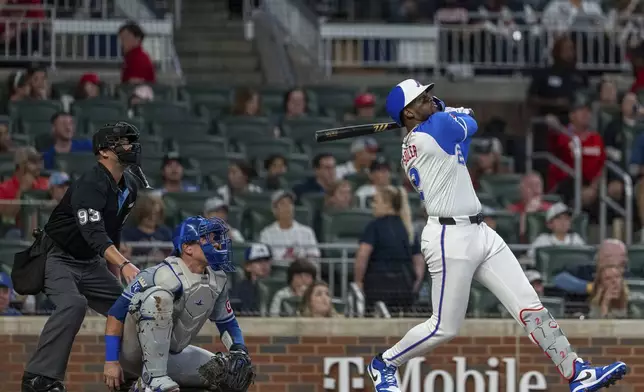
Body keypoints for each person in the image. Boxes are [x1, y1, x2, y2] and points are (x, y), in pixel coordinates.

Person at [366, 78, 627, 392]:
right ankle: (385, 363)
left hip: (478, 230)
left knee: (530, 305)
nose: (431, 99)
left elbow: (462, 146)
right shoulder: (430, 132)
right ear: (408, 114)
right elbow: (471, 125)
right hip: (449, 237)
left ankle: (576, 372)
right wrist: (455, 112)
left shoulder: (427, 133)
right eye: (422, 99)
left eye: (428, 94)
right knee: (443, 327)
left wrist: (448, 113)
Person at [20, 122, 143, 392]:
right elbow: (95, 234)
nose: (129, 146)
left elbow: (113, 233)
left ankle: (131, 377)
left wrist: (115, 273)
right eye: (121, 142)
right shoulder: (90, 182)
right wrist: (123, 263)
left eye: (129, 141)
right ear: (104, 152)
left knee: (132, 307)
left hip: (91, 262)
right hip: (59, 256)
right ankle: (39, 379)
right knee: (73, 305)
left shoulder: (130, 186)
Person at [102, 216, 255, 392]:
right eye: (206, 238)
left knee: (227, 373)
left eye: (215, 239)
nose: (216, 244)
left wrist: (238, 349)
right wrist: (111, 361)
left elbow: (227, 321)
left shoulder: (217, 279)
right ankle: (152, 379)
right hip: (134, 352)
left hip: (172, 353)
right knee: (158, 298)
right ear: (187, 247)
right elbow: (115, 314)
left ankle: (143, 385)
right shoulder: (157, 274)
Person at [354, 185, 424, 310]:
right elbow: (419, 262)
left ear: (387, 204)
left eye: (376, 201)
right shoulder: (408, 229)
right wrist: (415, 285)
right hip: (404, 287)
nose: (373, 205)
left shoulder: (374, 226)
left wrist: (358, 282)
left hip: (377, 287)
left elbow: (362, 255)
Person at [259, 190, 320, 261]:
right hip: (278, 270)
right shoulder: (266, 234)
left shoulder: (307, 232)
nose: (288, 207)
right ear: (275, 210)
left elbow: (315, 256)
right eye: (283, 204)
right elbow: (264, 261)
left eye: (290, 203)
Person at [0, 147, 48, 221]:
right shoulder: (3, 189)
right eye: (34, 162)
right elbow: (7, 218)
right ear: (20, 165)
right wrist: (21, 191)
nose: (39, 166)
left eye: (40, 162)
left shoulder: (45, 184)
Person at [121, 193, 173, 257]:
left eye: (156, 214)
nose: (153, 218)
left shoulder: (165, 233)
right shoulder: (128, 234)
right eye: (149, 215)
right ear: (141, 214)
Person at [229, 243, 272, 315]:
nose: (264, 265)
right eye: (258, 261)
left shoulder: (264, 288)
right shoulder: (241, 290)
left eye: (266, 260)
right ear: (247, 266)